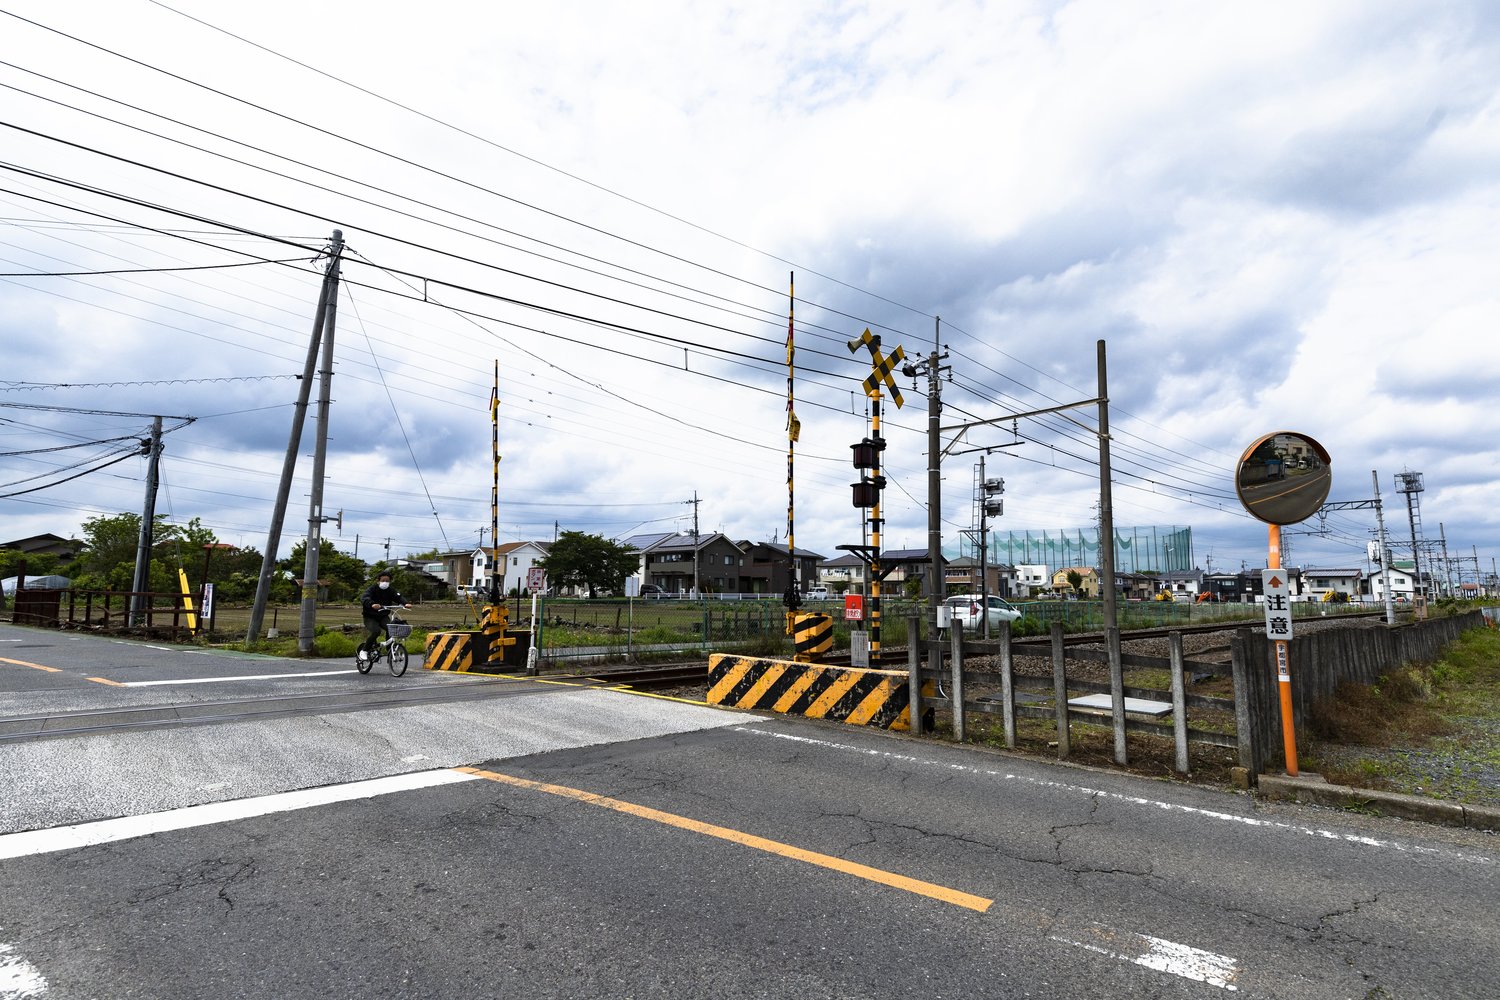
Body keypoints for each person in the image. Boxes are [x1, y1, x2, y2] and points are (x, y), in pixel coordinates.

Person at [358, 571, 409, 663]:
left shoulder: (390, 590)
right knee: (376, 631)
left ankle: (390, 650)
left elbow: (398, 597)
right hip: (370, 617)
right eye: (383, 580)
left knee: (391, 628)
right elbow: (364, 598)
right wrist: (372, 604)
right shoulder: (372, 589)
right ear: (378, 581)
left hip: (383, 616)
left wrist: (405, 603)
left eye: (387, 581)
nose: (385, 582)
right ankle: (364, 650)